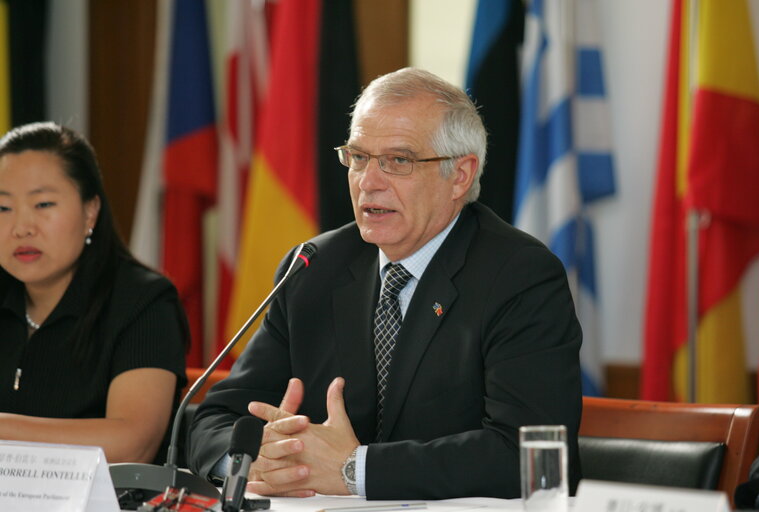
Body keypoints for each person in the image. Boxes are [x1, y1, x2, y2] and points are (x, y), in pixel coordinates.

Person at [188, 68, 582, 499]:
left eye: (398, 161)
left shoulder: (520, 276)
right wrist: (255, 460)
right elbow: (215, 419)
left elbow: (525, 454)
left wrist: (354, 469)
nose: (368, 182)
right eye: (358, 158)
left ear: (461, 176)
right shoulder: (314, 267)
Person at [0, 122, 187, 464]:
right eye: (2, 208)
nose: (21, 227)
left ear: (90, 211)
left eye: (43, 204)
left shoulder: (144, 302)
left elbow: (133, 443)